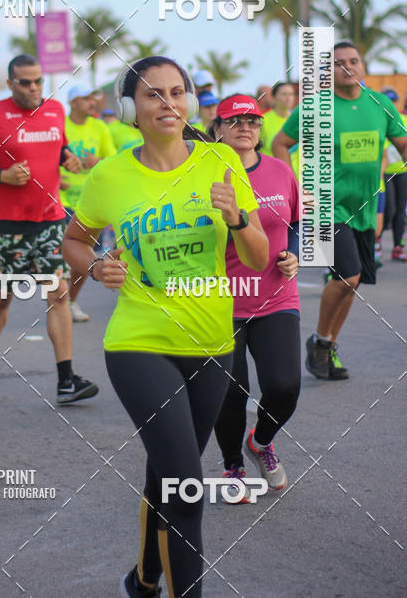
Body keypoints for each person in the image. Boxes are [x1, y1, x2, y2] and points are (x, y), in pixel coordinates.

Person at [62, 56, 268, 598]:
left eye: (178, 92)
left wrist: (238, 219)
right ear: (131, 107)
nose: (168, 103)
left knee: (167, 473)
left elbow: (259, 255)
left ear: (191, 102)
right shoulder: (110, 174)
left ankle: (145, 577)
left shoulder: (222, 161)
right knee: (187, 484)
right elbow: (74, 239)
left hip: (210, 343)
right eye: (154, 94)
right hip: (138, 342)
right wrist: (94, 266)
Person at [0, 54, 98, 405]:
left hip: (50, 220)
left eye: (38, 80)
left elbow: (59, 146)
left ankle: (66, 380)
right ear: (10, 84)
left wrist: (67, 157)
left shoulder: (54, 110)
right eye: (25, 82)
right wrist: (1, 175)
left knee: (58, 295)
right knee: (2, 298)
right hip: (9, 224)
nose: (34, 87)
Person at [273, 42, 407, 379]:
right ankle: (320, 343)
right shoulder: (315, 106)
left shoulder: (379, 104)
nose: (346, 67)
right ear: (327, 72)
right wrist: (293, 186)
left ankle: (325, 344)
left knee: (353, 281)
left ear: (362, 65)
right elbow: (280, 143)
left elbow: (402, 143)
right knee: (348, 275)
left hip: (364, 205)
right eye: (337, 63)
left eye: (353, 61)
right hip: (324, 206)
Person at [207, 95, 301, 495]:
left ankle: (260, 442)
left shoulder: (281, 171)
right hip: (220, 299)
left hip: (276, 296)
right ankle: (232, 467)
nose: (246, 127)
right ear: (218, 129)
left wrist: (293, 253)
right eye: (236, 120)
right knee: (230, 391)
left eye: (254, 121)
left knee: (284, 386)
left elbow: (295, 221)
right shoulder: (200, 175)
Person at [59, 84, 116, 323]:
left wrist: (98, 160)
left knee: (84, 256)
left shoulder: (100, 127)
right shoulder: (60, 125)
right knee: (59, 257)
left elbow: (113, 161)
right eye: (85, 98)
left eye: (93, 98)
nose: (91, 102)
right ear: (73, 103)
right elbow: (46, 155)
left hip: (91, 202)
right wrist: (54, 178)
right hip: (60, 200)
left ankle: (70, 301)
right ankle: (58, 300)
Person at [380, 88, 407, 261]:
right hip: (385, 172)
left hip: (402, 170)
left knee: (400, 211)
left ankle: (398, 246)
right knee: (389, 210)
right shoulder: (379, 119)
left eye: (394, 100)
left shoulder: (403, 118)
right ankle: (376, 240)